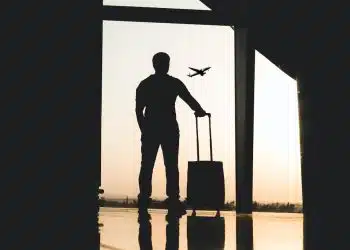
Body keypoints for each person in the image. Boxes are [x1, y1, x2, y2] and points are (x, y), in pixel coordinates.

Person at [136, 52, 207, 216]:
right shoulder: (173, 83)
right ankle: (173, 199)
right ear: (166, 64)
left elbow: (139, 111)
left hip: (151, 129)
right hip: (169, 129)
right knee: (171, 165)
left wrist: (144, 129)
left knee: (147, 165)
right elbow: (189, 99)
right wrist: (200, 111)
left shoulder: (145, 84)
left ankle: (144, 199)